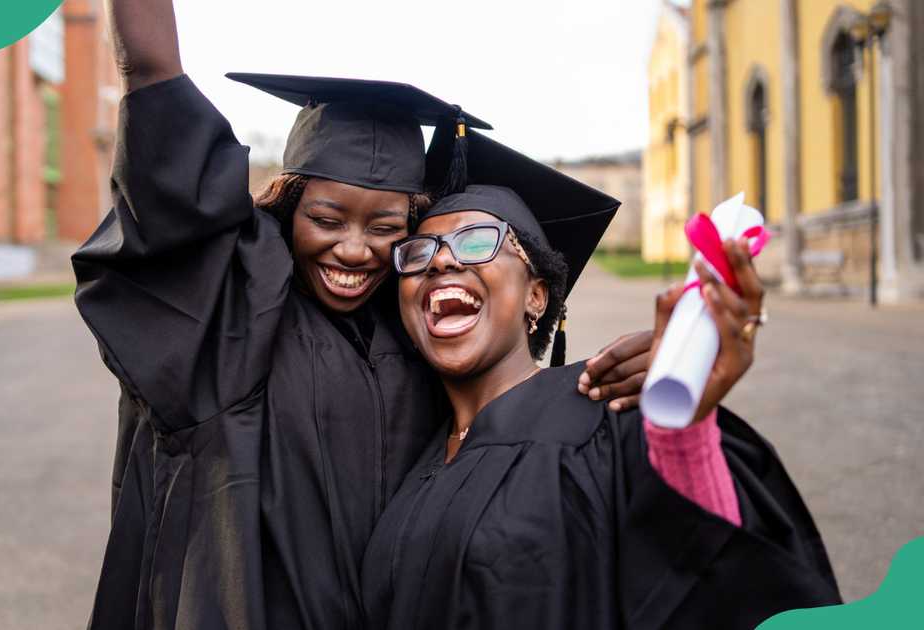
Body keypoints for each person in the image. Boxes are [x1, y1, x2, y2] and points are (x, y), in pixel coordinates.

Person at [72, 1, 653, 628]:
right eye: (325, 219)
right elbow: (161, 122)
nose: (353, 248)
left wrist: (651, 387)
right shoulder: (232, 315)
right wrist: (146, 60)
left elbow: (516, 409)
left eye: (386, 227)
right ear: (287, 209)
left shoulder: (416, 336)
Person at [360, 131, 841, 630]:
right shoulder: (408, 458)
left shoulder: (606, 411)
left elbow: (714, 575)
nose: (440, 260)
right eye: (418, 253)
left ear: (537, 297)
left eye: (477, 241)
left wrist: (685, 428)